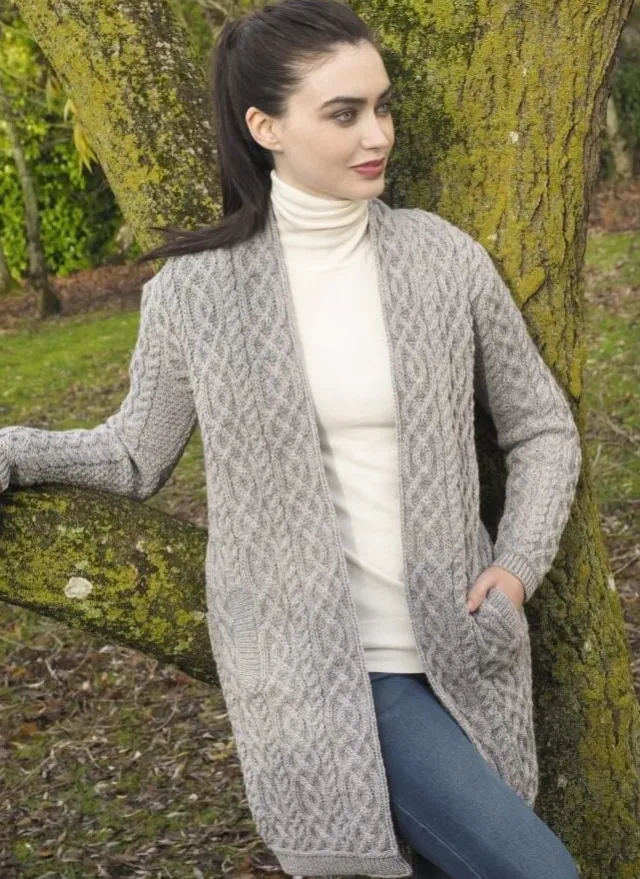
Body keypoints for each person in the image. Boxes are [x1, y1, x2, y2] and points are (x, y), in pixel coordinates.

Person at [0, 0, 583, 876]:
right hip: (323, 677)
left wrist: (516, 567)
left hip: (467, 648)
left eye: (381, 106)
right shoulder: (194, 292)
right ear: (265, 126)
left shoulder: (442, 259)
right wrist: (12, 449)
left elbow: (541, 427)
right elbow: (131, 456)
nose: (376, 134)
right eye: (343, 113)